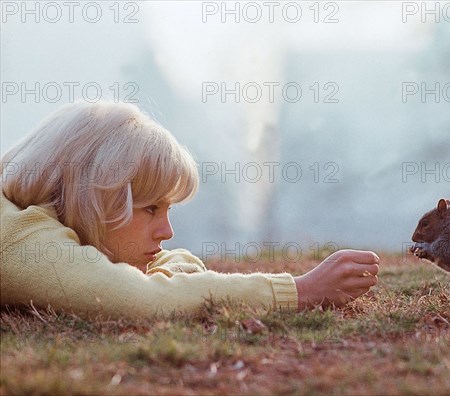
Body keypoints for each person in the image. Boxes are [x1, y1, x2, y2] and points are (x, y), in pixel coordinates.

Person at [0, 101, 379, 320]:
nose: (166, 232)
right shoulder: (18, 241)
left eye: (168, 210)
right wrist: (299, 290)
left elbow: (175, 262)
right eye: (149, 209)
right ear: (87, 197)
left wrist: (169, 276)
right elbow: (137, 300)